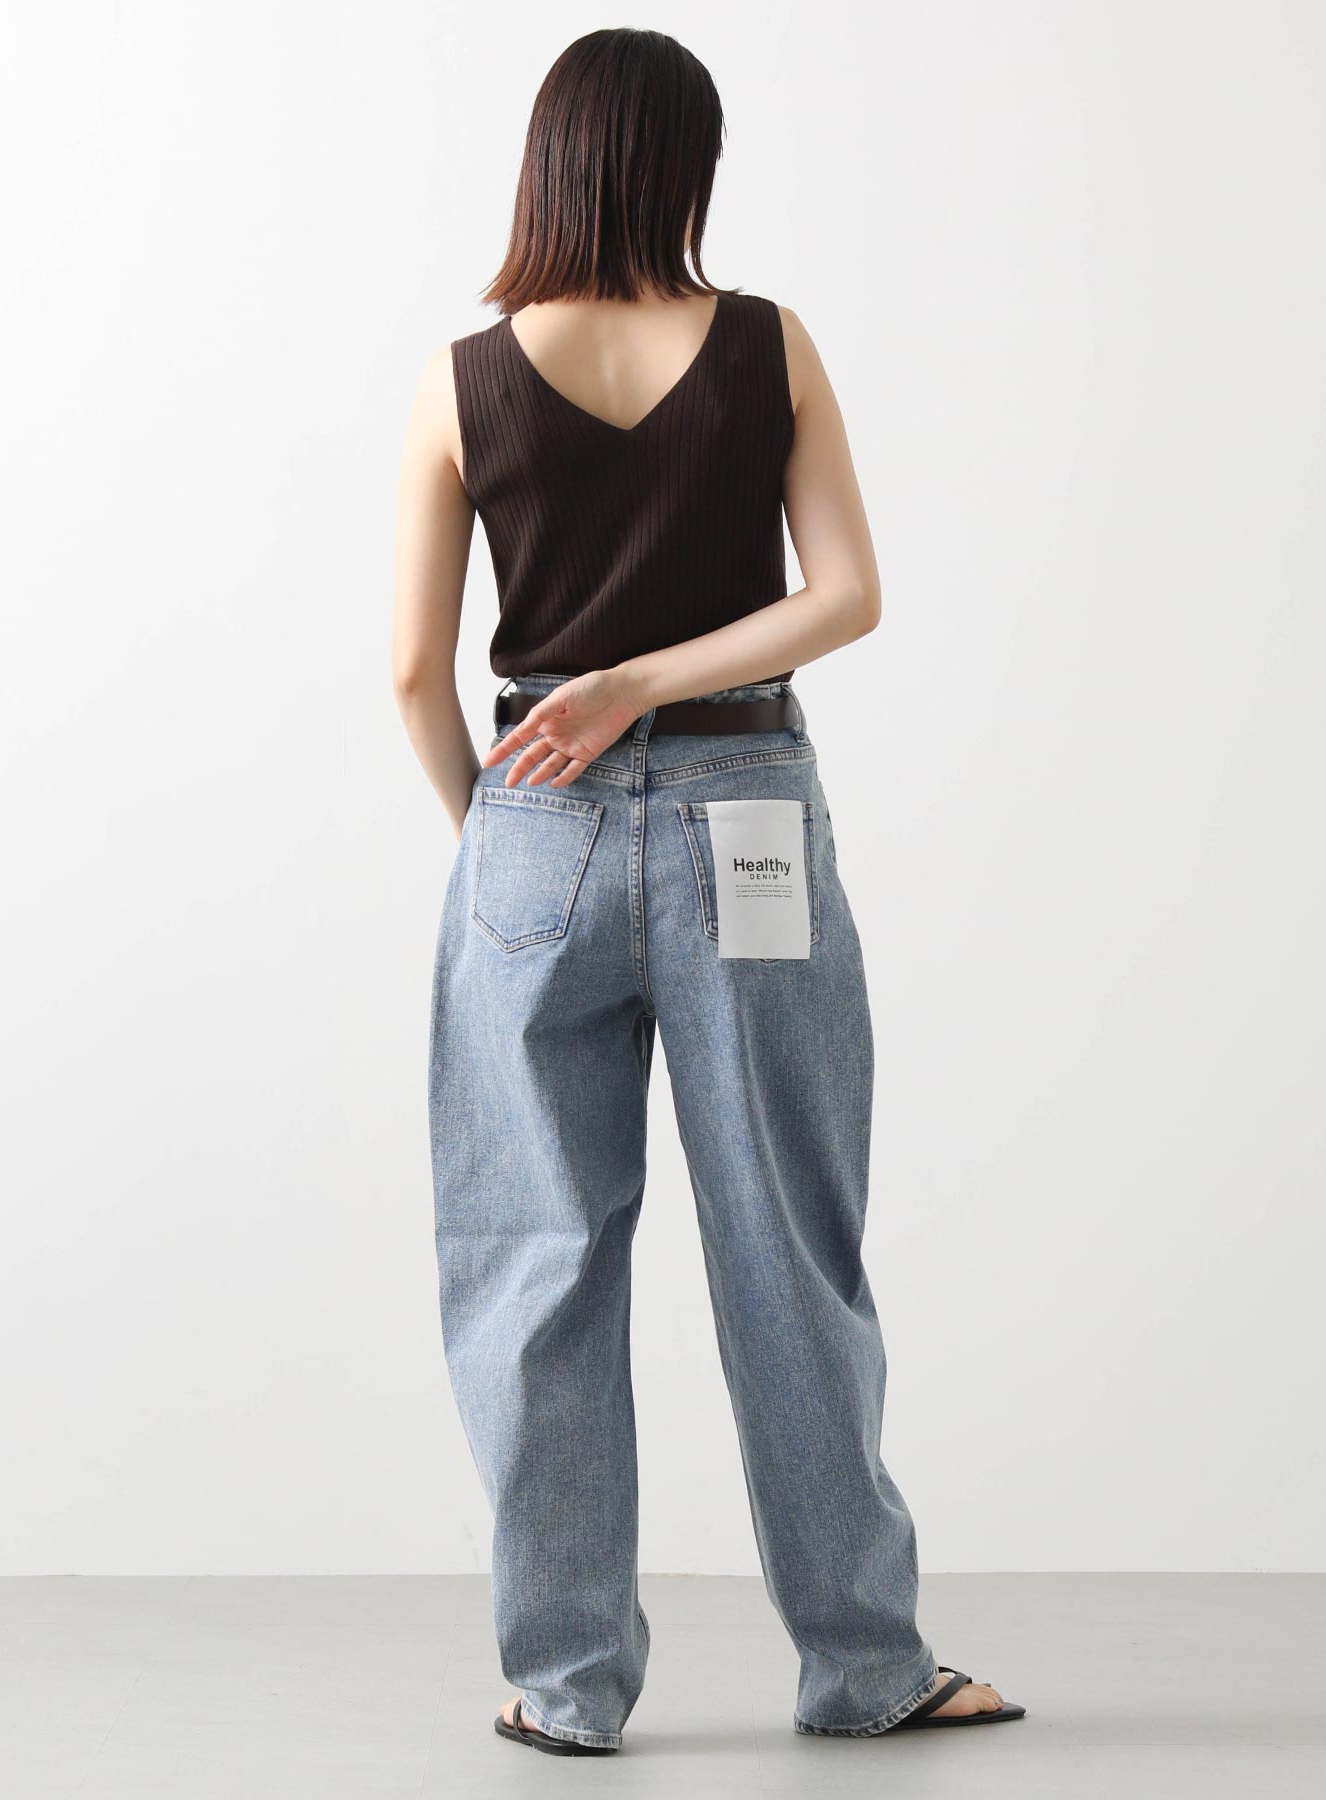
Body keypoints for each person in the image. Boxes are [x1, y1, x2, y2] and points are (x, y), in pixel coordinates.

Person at [391, 26, 1026, 1759]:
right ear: (689, 164)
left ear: (547, 161)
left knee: (531, 1259)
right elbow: (847, 595)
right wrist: (657, 684)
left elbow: (411, 673)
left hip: (533, 818)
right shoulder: (767, 346)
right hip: (747, 808)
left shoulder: (460, 380)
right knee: (786, 1241)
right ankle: (867, 1667)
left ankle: (567, 1688)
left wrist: (499, 837)